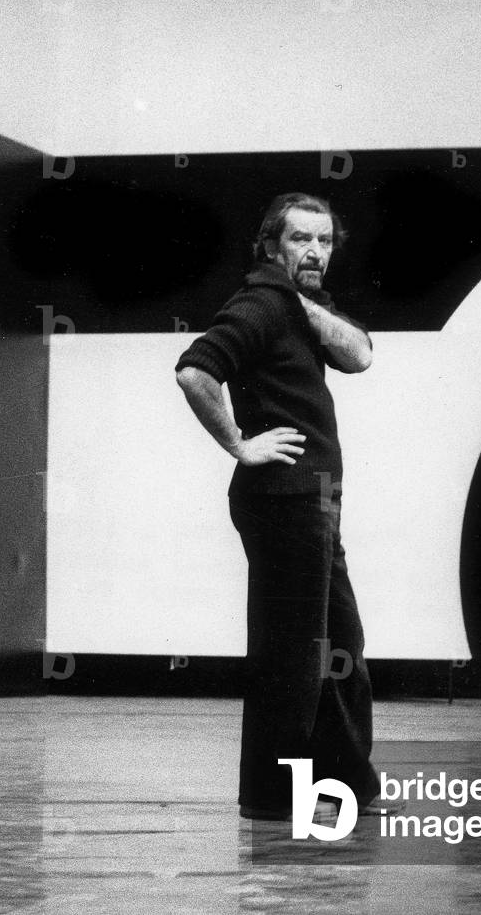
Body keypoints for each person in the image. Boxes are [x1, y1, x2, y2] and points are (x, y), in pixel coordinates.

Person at [174, 191, 383, 820]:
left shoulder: (299, 308)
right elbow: (195, 371)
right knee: (292, 657)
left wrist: (308, 306)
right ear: (271, 246)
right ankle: (273, 797)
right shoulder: (261, 304)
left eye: (323, 241)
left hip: (313, 503)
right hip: (283, 502)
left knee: (339, 644)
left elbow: (362, 356)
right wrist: (240, 444)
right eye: (300, 240)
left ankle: (348, 784)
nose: (315, 251)